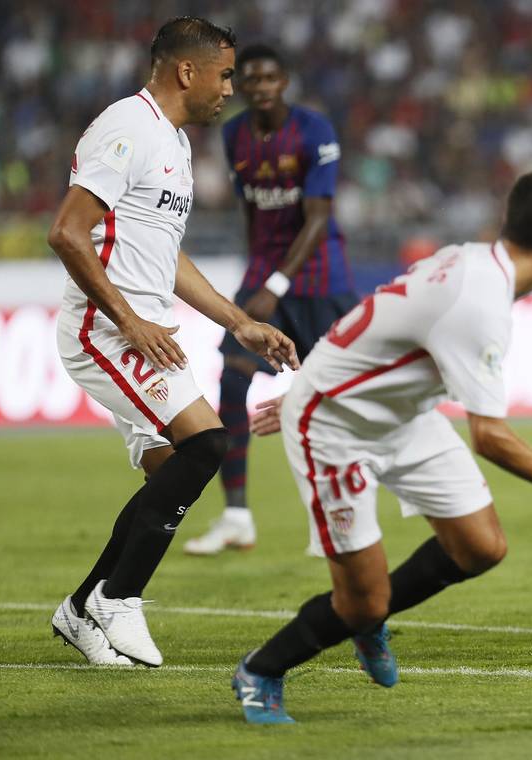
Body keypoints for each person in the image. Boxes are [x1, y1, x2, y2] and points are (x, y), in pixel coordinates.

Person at [231, 169, 532, 724]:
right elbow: (490, 437)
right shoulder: (480, 304)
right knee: (362, 600)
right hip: (335, 426)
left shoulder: (470, 261)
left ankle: (365, 620)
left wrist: (320, 375)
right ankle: (262, 669)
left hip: (402, 414)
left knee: (480, 546)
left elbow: (381, 316)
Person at [48, 17, 299, 668]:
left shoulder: (176, 143)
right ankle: (117, 597)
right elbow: (68, 233)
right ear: (187, 71)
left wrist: (238, 322)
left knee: (171, 470)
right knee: (208, 443)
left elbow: (168, 256)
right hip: (105, 330)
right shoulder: (127, 128)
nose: (231, 89)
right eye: (224, 75)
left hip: (148, 332)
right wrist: (129, 321)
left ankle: (80, 609)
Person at [185, 44, 357, 556]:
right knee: (232, 381)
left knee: (337, 394)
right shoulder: (234, 133)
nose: (260, 88)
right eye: (251, 79)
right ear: (240, 84)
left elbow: (318, 218)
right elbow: (251, 210)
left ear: (284, 82)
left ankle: (340, 514)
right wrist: (257, 272)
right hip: (264, 275)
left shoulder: (314, 131)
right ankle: (236, 516)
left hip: (320, 278)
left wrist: (273, 285)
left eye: (269, 79)